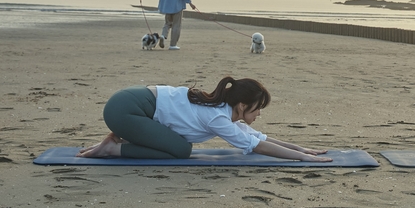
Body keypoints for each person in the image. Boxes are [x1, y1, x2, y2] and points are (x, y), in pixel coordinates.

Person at [77, 76, 332, 162]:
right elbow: (256, 146)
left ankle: (117, 142)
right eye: (256, 110)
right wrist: (302, 159)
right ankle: (114, 148)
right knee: (180, 150)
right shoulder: (218, 118)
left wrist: (301, 149)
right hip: (125, 109)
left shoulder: (225, 111)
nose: (259, 115)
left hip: (130, 102)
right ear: (242, 106)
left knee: (177, 147)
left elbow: (258, 138)